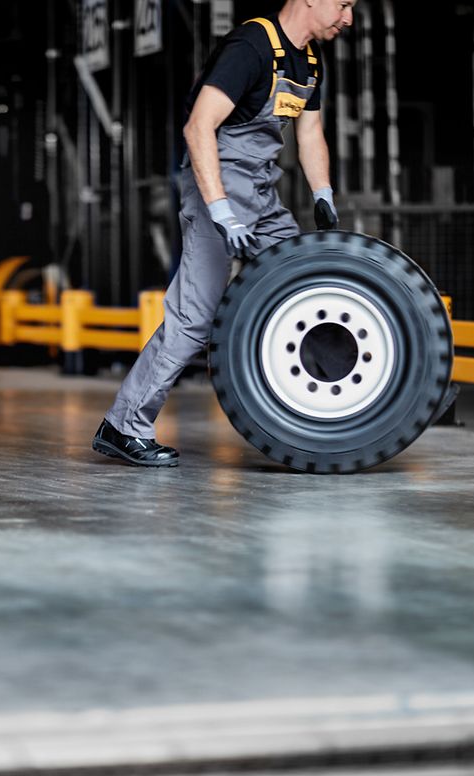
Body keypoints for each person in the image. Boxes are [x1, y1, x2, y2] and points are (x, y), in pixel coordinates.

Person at [93, 0, 355, 467]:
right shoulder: (250, 46)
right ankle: (123, 423)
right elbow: (199, 127)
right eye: (345, 5)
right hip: (215, 186)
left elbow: (310, 133)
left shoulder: (310, 59)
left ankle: (355, 401)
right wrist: (220, 210)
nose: (349, 18)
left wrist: (323, 194)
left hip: (260, 189)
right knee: (195, 315)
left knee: (306, 285)